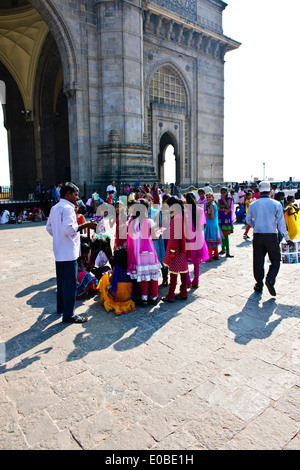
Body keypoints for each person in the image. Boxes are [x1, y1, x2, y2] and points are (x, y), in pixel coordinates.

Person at [46, 182, 97, 323]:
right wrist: (87, 225)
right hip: (68, 252)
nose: (77, 197)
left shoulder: (55, 207)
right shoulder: (68, 208)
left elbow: (49, 228)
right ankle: (69, 315)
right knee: (69, 285)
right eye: (75, 194)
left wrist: (59, 237)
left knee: (62, 283)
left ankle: (61, 308)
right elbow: (69, 230)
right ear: (67, 194)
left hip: (59, 250)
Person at [245, 180, 294, 296]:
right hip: (272, 236)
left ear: (259, 190)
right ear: (270, 190)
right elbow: (281, 223)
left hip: (258, 236)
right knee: (276, 260)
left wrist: (255, 225)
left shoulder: (253, 204)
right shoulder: (276, 204)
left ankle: (259, 284)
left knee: (258, 261)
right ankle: (270, 279)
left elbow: (248, 220)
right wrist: (286, 237)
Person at [127, 199, 161, 306]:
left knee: (142, 275)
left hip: (137, 253)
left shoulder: (130, 221)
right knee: (153, 274)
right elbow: (154, 238)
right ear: (146, 209)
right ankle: (154, 296)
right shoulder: (149, 221)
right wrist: (159, 234)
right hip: (149, 252)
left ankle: (144, 298)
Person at [162, 197, 189, 302]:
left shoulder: (177, 216)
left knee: (173, 271)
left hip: (175, 247)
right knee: (183, 270)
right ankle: (183, 292)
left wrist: (172, 250)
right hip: (180, 247)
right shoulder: (179, 215)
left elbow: (176, 235)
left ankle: (171, 294)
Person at [97, 247, 136, 315]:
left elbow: (111, 281)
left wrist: (109, 274)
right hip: (129, 293)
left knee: (104, 278)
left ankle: (106, 298)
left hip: (119, 295)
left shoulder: (117, 267)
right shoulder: (130, 265)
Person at [185, 193, 209, 287]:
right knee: (197, 261)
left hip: (188, 237)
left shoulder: (185, 210)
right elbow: (203, 223)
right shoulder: (200, 210)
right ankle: (196, 281)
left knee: (185, 260)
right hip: (198, 237)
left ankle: (187, 281)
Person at [204, 192, 223, 260]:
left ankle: (210, 256)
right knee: (214, 239)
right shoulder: (213, 204)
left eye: (209, 197)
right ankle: (216, 255)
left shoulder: (211, 205)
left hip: (211, 224)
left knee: (210, 240)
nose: (208, 198)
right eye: (207, 197)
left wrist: (206, 214)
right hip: (214, 224)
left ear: (212, 198)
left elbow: (211, 216)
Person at [218, 187, 235, 258]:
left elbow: (228, 207)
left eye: (224, 192)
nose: (223, 194)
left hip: (226, 219)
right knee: (221, 234)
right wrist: (223, 209)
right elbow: (218, 208)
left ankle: (228, 251)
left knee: (226, 235)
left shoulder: (229, 198)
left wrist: (223, 200)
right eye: (222, 192)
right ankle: (223, 249)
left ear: (226, 192)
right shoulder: (219, 200)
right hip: (220, 218)